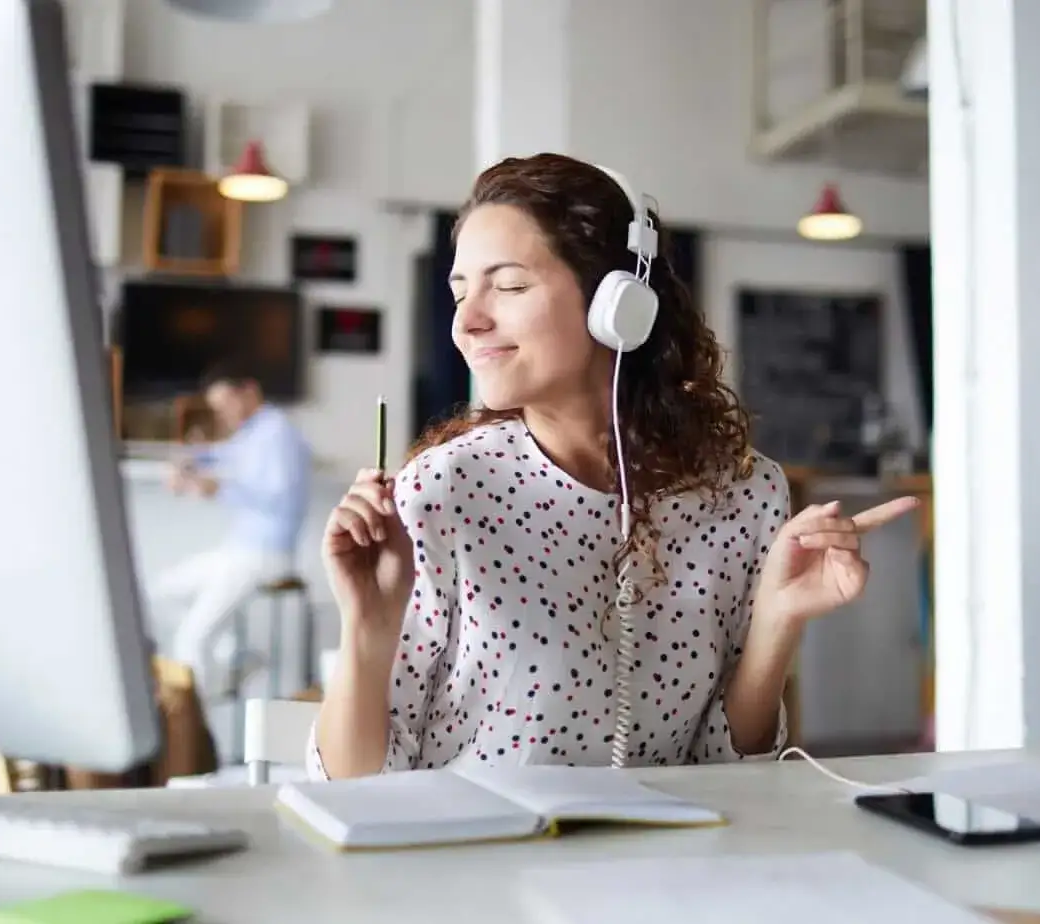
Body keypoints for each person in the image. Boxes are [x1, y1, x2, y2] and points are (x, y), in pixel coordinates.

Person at [310, 153, 916, 779]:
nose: (467, 321)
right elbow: (354, 787)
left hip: (662, 866)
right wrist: (366, 628)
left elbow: (728, 768)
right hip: (473, 864)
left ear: (618, 303)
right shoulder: (443, 490)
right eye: (460, 291)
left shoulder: (747, 493)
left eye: (510, 286)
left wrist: (777, 622)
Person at [149, 359, 313, 697]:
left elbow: (278, 498)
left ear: (249, 391)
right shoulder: (252, 433)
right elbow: (221, 456)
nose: (223, 415)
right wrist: (192, 461)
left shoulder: (277, 431)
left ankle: (199, 726)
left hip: (266, 555)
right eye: (217, 409)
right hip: (239, 551)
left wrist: (217, 488)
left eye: (225, 405)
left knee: (193, 638)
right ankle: (234, 660)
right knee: (162, 592)